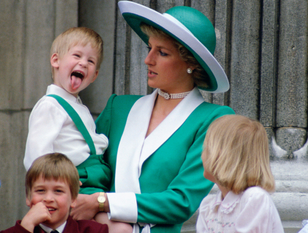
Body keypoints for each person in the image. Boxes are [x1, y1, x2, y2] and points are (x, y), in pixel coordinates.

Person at [70, 2, 234, 233]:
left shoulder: (215, 120)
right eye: (150, 48)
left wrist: (104, 202)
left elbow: (182, 201)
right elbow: (86, 171)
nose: (148, 59)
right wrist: (94, 210)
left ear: (191, 63)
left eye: (162, 52)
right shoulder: (119, 107)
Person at [23, 27, 111, 195]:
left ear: (94, 76)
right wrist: (53, 187)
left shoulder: (78, 106)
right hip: (74, 182)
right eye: (77, 56)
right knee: (113, 221)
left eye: (91, 61)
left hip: (93, 179)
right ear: (56, 60)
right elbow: (36, 156)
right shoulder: (50, 105)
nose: (83, 63)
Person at [196, 115, 284, 233]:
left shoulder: (254, 198)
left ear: (220, 155)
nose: (201, 154)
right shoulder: (209, 207)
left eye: (206, 148)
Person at [1, 153, 108, 233]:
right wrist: (26, 226)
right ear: (28, 197)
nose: (48, 198)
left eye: (58, 191)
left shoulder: (94, 231)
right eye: (40, 190)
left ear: (74, 199)